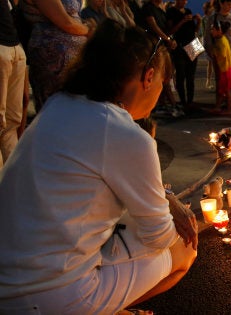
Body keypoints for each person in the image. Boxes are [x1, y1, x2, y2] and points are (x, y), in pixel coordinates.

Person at [0, 20, 198, 315]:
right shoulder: (126, 135)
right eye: (162, 83)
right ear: (149, 76)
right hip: (49, 295)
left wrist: (167, 200)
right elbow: (159, 236)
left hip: (8, 283)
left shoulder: (59, 104)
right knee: (184, 247)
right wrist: (187, 221)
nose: (159, 93)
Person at [21, 0, 93, 113]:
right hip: (52, 55)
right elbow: (65, 22)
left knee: (74, 111)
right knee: (54, 110)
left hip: (74, 60)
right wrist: (89, 29)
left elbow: (73, 18)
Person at [0, 0, 26, 169]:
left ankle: (12, 181)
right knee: (7, 123)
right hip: (6, 49)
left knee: (11, 123)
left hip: (13, 47)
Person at [204, 0, 231, 104]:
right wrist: (209, 50)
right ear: (221, 4)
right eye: (228, 4)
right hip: (218, 53)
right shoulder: (213, 18)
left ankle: (229, 102)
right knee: (219, 79)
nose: (230, 6)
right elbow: (207, 36)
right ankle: (219, 102)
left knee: (230, 78)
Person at [166, 0, 202, 108]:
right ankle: (183, 101)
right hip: (179, 45)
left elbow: (194, 31)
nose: (184, 2)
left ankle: (190, 101)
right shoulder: (171, 11)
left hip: (192, 44)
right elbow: (170, 31)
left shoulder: (188, 11)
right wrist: (182, 21)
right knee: (181, 75)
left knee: (191, 76)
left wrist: (199, 22)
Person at [211, 21, 231, 115]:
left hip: (225, 69)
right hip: (226, 67)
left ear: (219, 31)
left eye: (213, 30)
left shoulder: (221, 42)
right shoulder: (222, 39)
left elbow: (222, 55)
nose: (212, 31)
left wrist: (214, 51)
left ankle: (229, 109)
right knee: (222, 89)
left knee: (226, 90)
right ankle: (218, 107)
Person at [200, 0, 215, 89]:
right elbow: (203, 32)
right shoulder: (205, 19)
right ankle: (208, 80)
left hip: (213, 41)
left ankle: (209, 81)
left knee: (212, 62)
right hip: (208, 41)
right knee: (210, 62)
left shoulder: (213, 17)